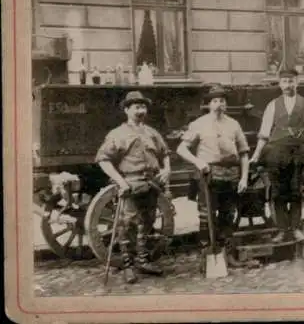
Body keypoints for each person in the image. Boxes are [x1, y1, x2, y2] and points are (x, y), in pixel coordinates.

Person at [95, 91, 171, 284]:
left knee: (147, 222)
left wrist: (167, 169)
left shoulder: (152, 133)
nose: (140, 111)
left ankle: (143, 261)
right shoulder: (117, 134)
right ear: (127, 110)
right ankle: (128, 266)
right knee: (127, 225)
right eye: (136, 107)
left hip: (151, 184)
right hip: (130, 184)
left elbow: (165, 153)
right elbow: (103, 160)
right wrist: (120, 181)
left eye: (143, 107)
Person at [250, 69, 304, 243]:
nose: (288, 85)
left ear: (297, 82)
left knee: (296, 191)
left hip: (298, 153)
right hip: (276, 154)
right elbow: (263, 134)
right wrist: (256, 154)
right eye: (284, 81)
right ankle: (283, 230)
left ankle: (296, 228)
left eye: (291, 81)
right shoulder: (273, 105)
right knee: (278, 192)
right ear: (279, 84)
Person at [176, 85, 250, 252]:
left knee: (228, 212)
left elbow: (244, 153)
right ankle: (207, 249)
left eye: (222, 100)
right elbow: (181, 149)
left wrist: (244, 177)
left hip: (231, 175)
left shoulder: (234, 125)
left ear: (226, 104)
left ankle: (225, 250)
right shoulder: (198, 124)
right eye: (214, 100)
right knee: (206, 213)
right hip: (208, 174)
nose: (218, 104)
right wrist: (198, 162)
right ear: (209, 104)